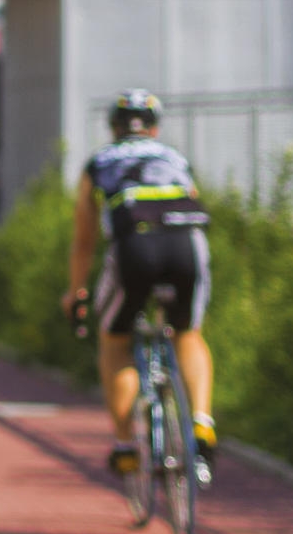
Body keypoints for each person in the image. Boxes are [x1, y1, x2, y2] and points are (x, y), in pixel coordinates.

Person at [61, 88, 216, 490]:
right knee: (188, 333)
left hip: (135, 247)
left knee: (114, 339)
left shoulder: (98, 164)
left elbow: (84, 240)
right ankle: (201, 422)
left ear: (114, 127)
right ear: (155, 127)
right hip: (187, 245)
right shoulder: (176, 158)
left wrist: (75, 291)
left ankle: (126, 445)